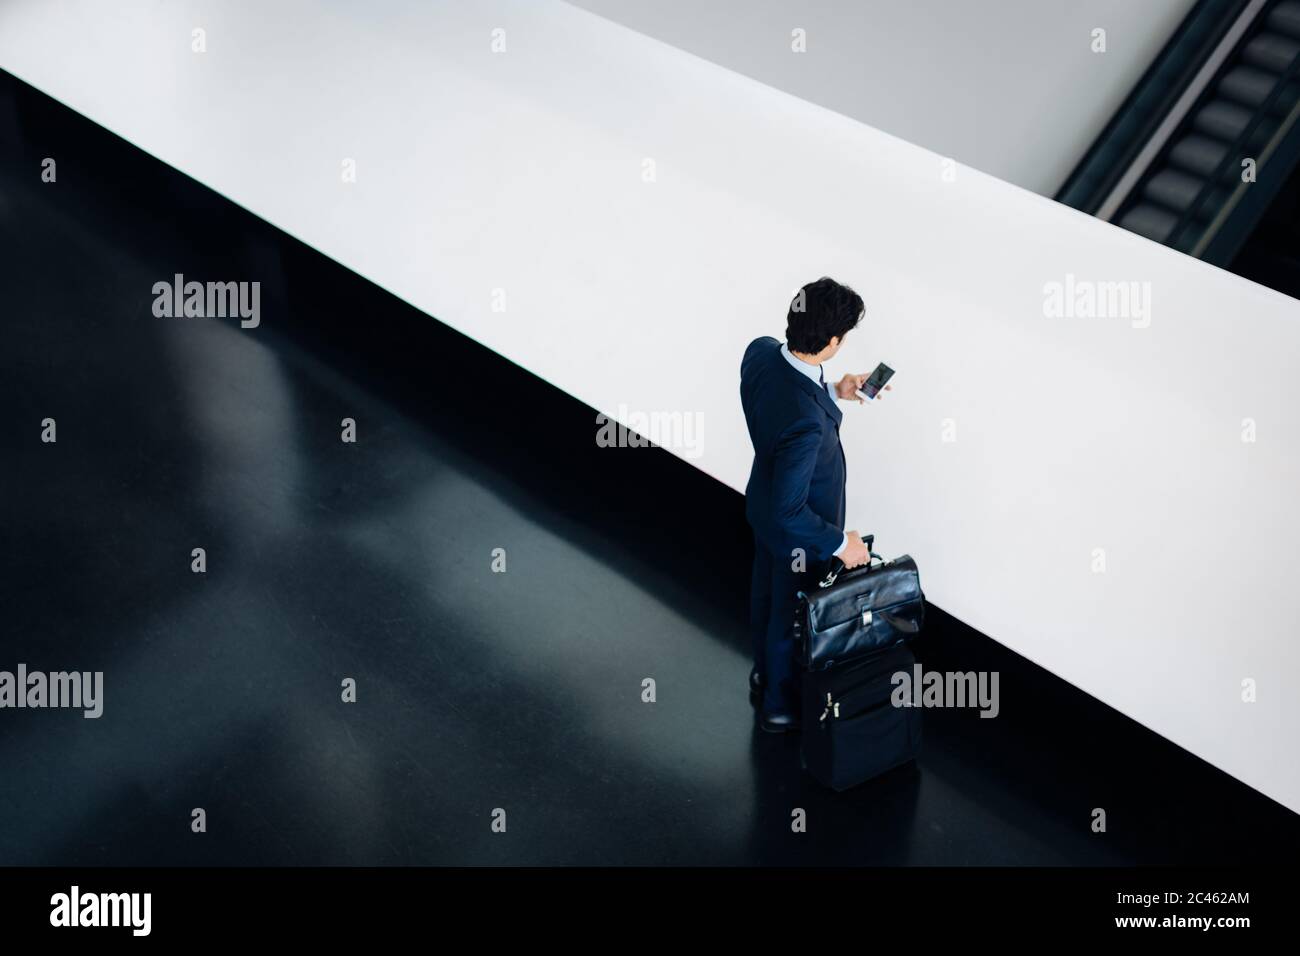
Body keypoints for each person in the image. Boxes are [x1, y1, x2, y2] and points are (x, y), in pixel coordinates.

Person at [739, 277, 888, 732]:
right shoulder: (807, 425)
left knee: (765, 599)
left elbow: (784, 400)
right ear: (831, 342)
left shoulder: (760, 352)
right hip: (798, 533)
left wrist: (834, 392)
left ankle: (763, 674)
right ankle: (779, 709)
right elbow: (792, 508)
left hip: (760, 506)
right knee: (789, 619)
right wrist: (841, 544)